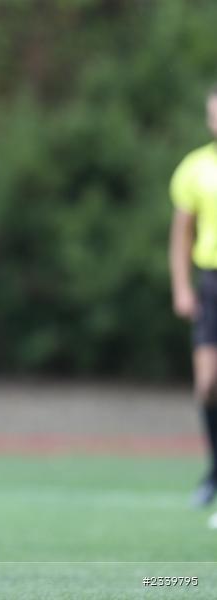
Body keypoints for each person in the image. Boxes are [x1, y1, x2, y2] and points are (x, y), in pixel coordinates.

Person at [170, 83, 217, 509]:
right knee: (208, 385)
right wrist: (183, 287)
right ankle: (215, 470)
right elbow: (181, 235)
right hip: (212, 282)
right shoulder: (196, 168)